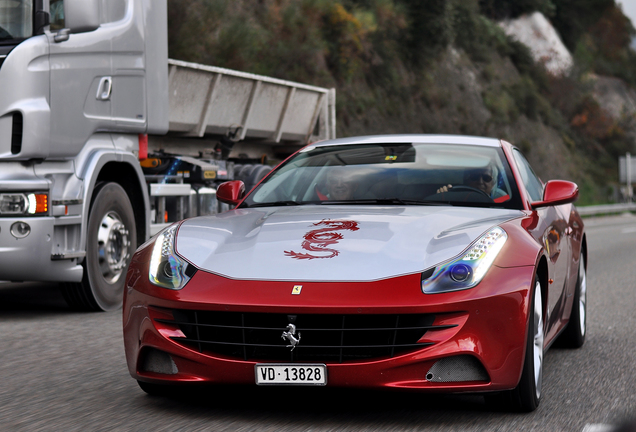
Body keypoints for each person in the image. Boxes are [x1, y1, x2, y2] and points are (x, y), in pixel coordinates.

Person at [437, 162, 508, 201]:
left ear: (493, 183)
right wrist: (443, 196)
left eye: (486, 178)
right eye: (474, 177)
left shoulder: (502, 199)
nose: (480, 182)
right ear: (466, 180)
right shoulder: (455, 196)